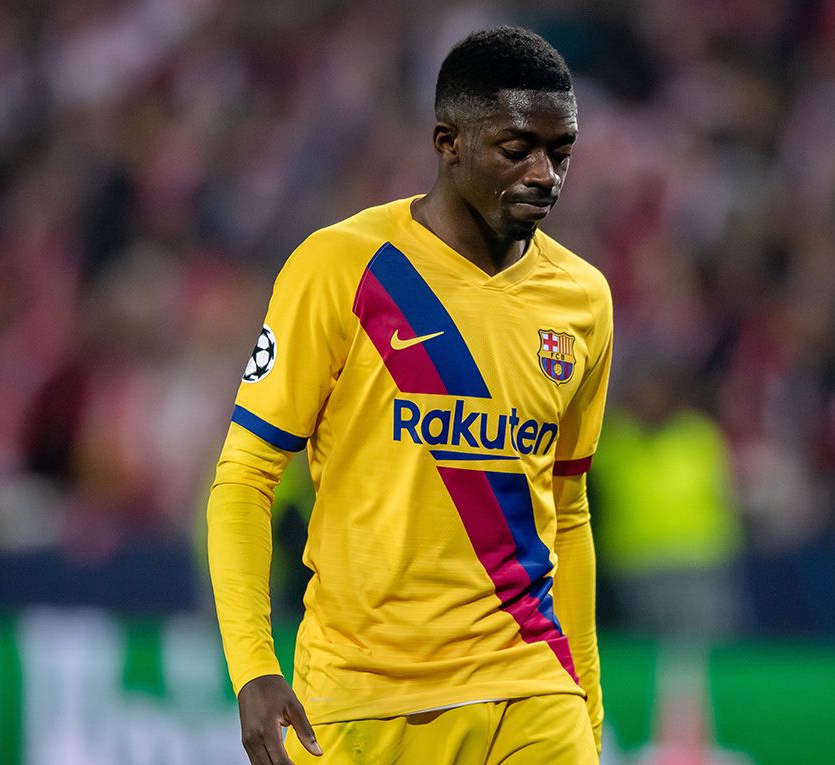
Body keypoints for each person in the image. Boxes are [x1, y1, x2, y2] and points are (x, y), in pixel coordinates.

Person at [206, 26, 613, 765]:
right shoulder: (342, 267)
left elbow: (570, 505)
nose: (544, 175)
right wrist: (253, 666)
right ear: (447, 140)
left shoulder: (584, 300)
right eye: (517, 148)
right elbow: (244, 477)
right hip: (361, 698)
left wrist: (585, 694)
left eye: (561, 153)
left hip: (529, 689)